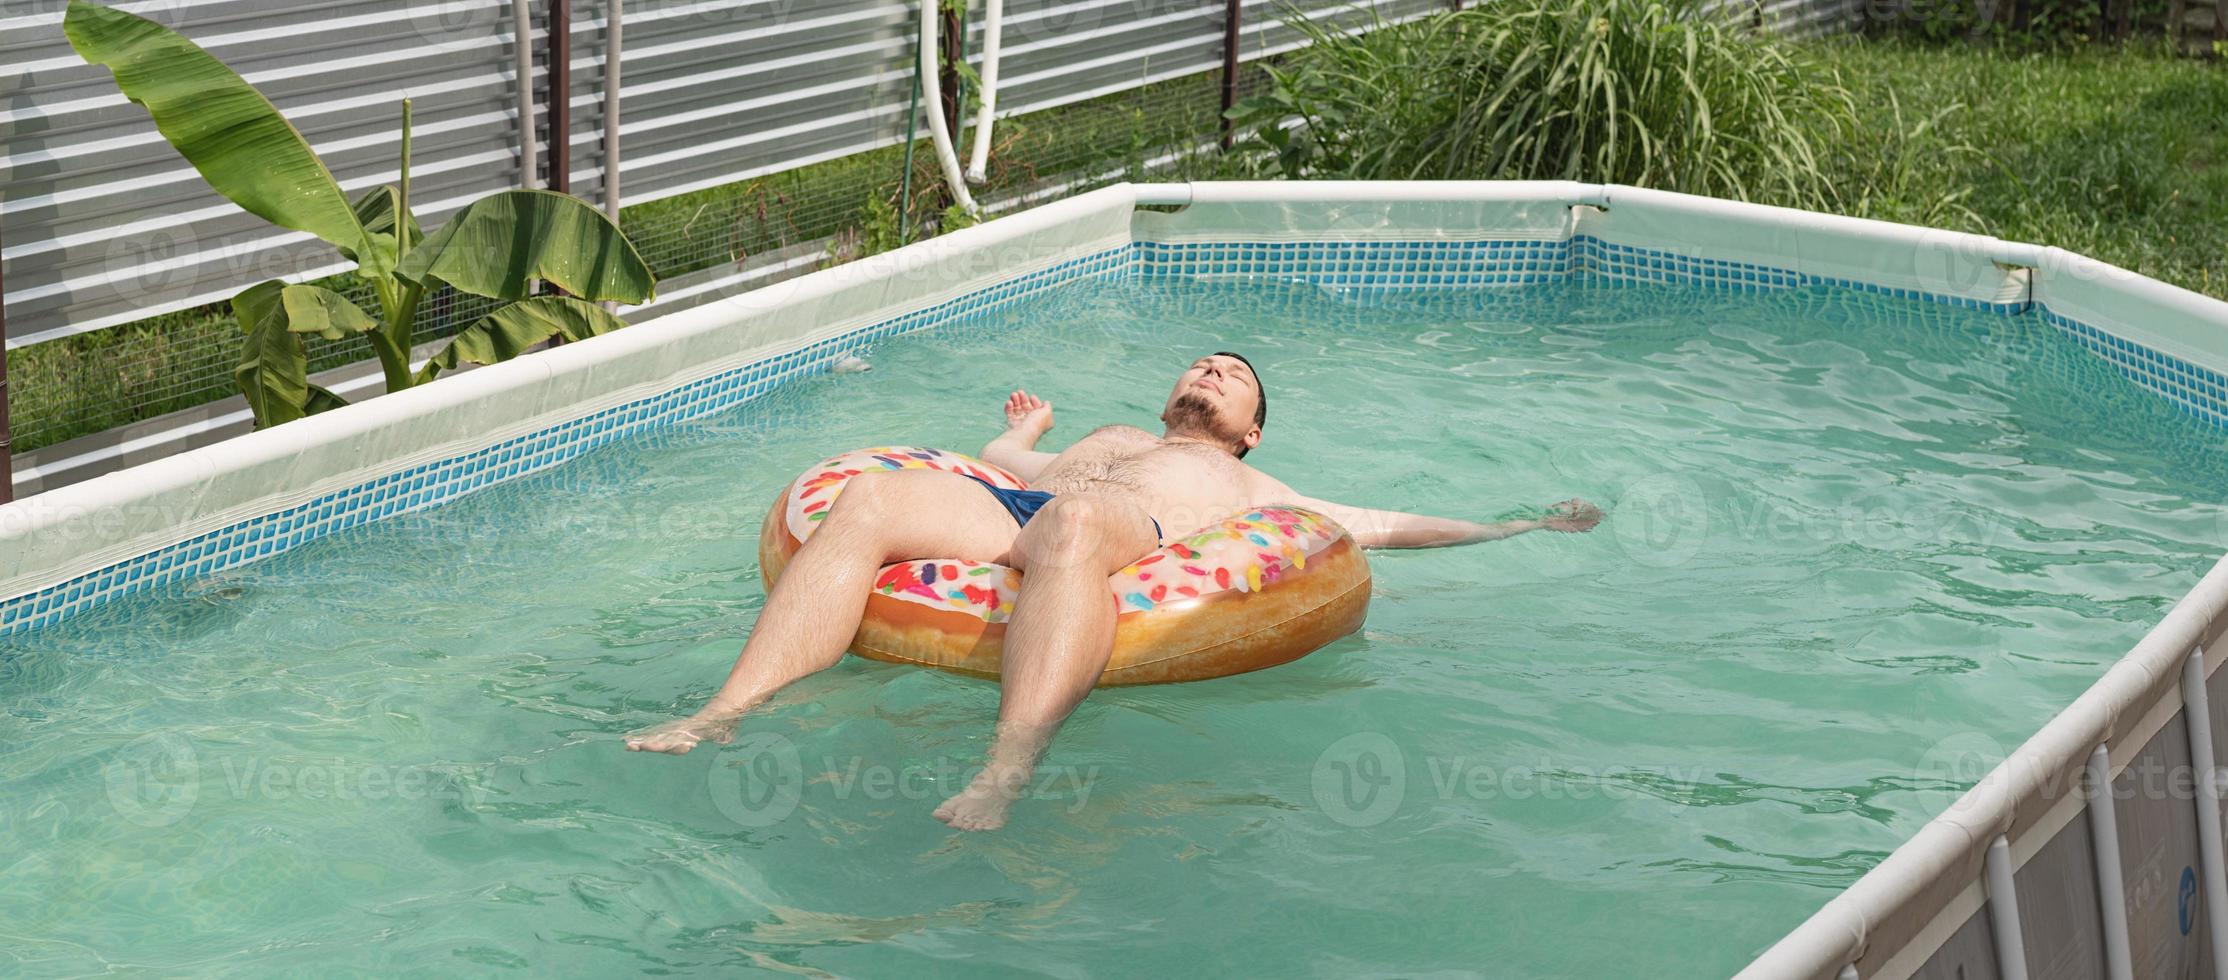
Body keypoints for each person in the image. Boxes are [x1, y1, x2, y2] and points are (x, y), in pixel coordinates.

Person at [627, 352, 1604, 830]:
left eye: (1230, 378)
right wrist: (1028, 427)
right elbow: (1004, 461)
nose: (1209, 372)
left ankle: (1002, 770)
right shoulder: (1106, 437)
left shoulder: (1253, 484)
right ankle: (723, 710)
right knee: (876, 498)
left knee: (1077, 522)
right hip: (1014, 508)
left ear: (1249, 429)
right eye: (1200, 363)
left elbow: (1388, 523)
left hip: (1116, 532)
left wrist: (1520, 522)